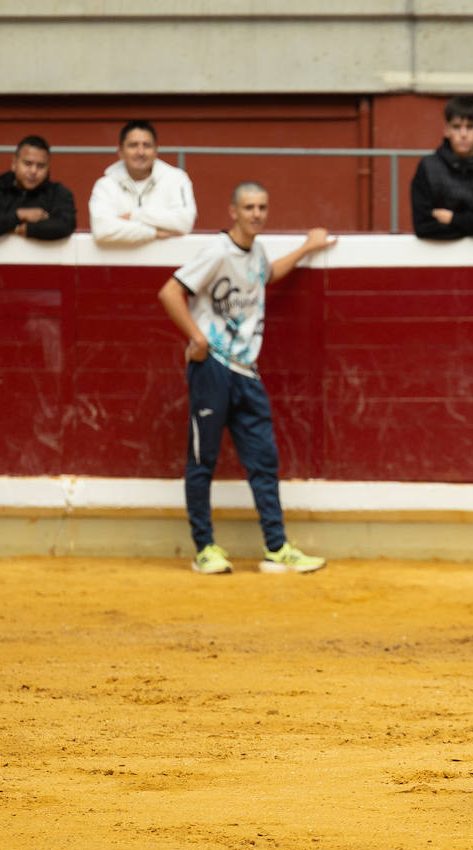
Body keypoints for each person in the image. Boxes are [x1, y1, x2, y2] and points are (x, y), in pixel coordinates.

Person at [156, 182, 335, 575]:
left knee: (264, 461)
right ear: (233, 211)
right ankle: (204, 548)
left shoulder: (256, 252)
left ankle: (276, 547)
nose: (256, 213)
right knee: (203, 460)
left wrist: (307, 248)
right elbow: (170, 291)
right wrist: (197, 338)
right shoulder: (217, 251)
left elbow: (266, 276)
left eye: (262, 207)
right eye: (249, 207)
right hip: (213, 368)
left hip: (246, 370)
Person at [410, 96, 473, 239]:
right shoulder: (428, 167)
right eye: (456, 127)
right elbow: (423, 226)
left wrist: (453, 219)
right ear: (446, 130)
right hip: (441, 257)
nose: (463, 134)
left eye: (470, 127)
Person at [89, 119, 196, 244]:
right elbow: (101, 230)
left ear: (156, 151)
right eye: (133, 145)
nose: (140, 152)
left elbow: (184, 222)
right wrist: (154, 233)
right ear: (121, 152)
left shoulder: (176, 179)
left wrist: (134, 216)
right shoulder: (105, 185)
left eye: (147, 145)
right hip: (118, 260)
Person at [0, 136, 76, 241]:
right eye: (28, 164)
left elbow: (66, 224)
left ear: (48, 167)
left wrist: (27, 229)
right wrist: (19, 215)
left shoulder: (58, 193)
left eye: (41, 166)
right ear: (14, 163)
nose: (33, 171)